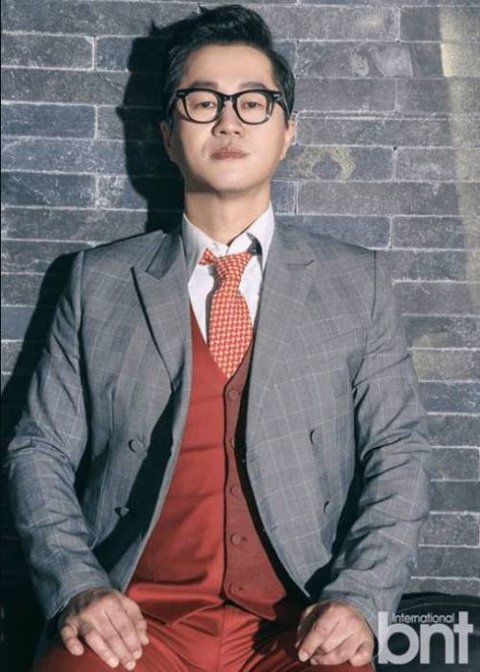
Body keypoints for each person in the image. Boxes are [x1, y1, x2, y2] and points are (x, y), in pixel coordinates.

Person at [6, 5, 431, 671]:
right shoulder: (96, 282)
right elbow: (38, 451)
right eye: (203, 102)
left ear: (287, 132)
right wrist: (78, 585)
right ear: (168, 135)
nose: (229, 121)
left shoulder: (359, 283)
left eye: (254, 102)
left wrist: (360, 598)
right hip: (133, 621)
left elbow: (399, 455)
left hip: (300, 623)